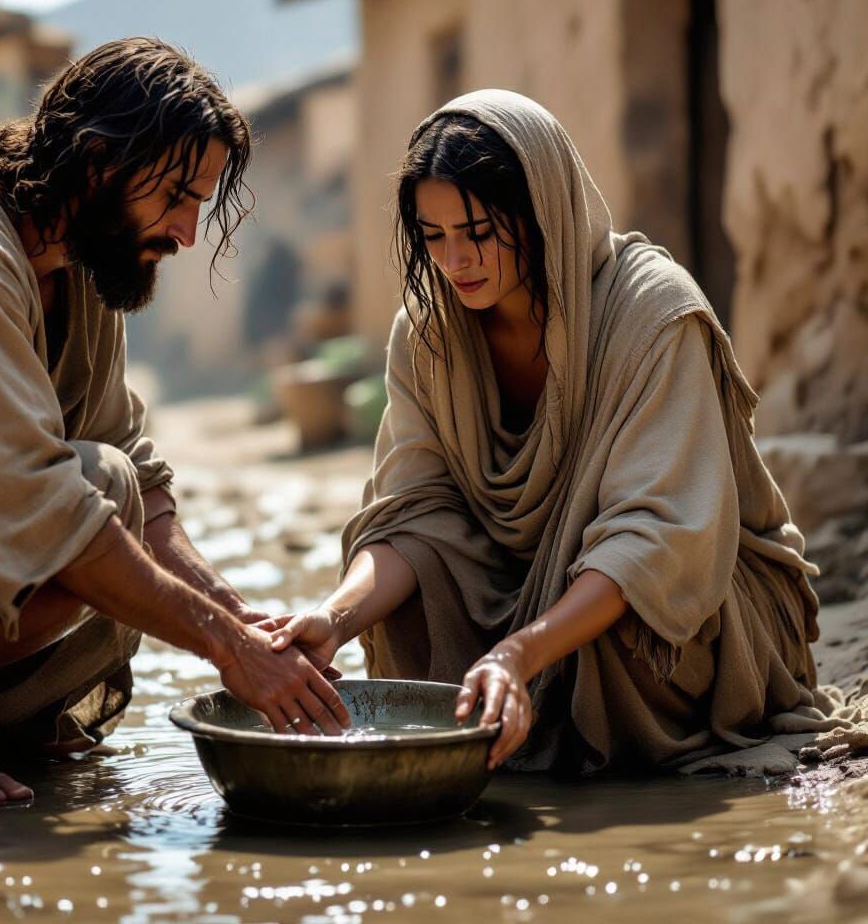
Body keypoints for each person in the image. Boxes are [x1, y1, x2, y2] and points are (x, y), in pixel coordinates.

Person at [269, 89, 838, 775]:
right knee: (410, 597)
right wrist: (332, 620)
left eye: (479, 233)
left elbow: (658, 542)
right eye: (434, 236)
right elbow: (413, 517)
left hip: (686, 612)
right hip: (523, 602)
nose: (457, 262)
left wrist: (521, 652)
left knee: (625, 625)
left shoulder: (651, 313)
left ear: (543, 213)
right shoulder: (427, 337)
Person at [0, 37, 350, 805]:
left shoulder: (77, 262)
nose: (185, 232)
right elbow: (40, 504)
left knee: (119, 508)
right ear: (92, 163)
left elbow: (136, 465)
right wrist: (225, 650)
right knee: (94, 505)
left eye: (198, 206)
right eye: (174, 197)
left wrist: (240, 618)